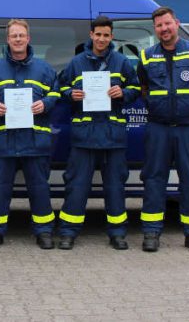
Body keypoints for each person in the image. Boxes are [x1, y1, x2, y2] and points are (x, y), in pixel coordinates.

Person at [137, 6, 189, 254]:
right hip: (158, 127)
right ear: (155, 29)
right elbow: (144, 87)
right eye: (159, 25)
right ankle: (151, 231)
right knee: (153, 180)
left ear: (177, 23)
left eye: (167, 24)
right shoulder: (147, 56)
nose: (164, 29)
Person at [57, 16, 140, 250]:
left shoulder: (122, 62)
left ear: (111, 37)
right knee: (76, 187)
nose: (101, 39)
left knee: (115, 188)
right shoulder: (76, 63)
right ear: (91, 35)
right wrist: (70, 94)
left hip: (113, 137)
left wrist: (122, 93)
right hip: (84, 137)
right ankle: (68, 232)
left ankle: (117, 233)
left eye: (106, 35)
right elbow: (60, 87)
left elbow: (135, 88)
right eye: (98, 34)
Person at [0, 19, 60, 250]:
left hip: (35, 140)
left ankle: (43, 231)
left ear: (28, 38)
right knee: (0, 189)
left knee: (39, 188)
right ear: (8, 39)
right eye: (13, 36)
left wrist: (45, 103)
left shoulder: (44, 68)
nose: (18, 39)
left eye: (21, 35)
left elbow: (57, 93)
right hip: (4, 140)